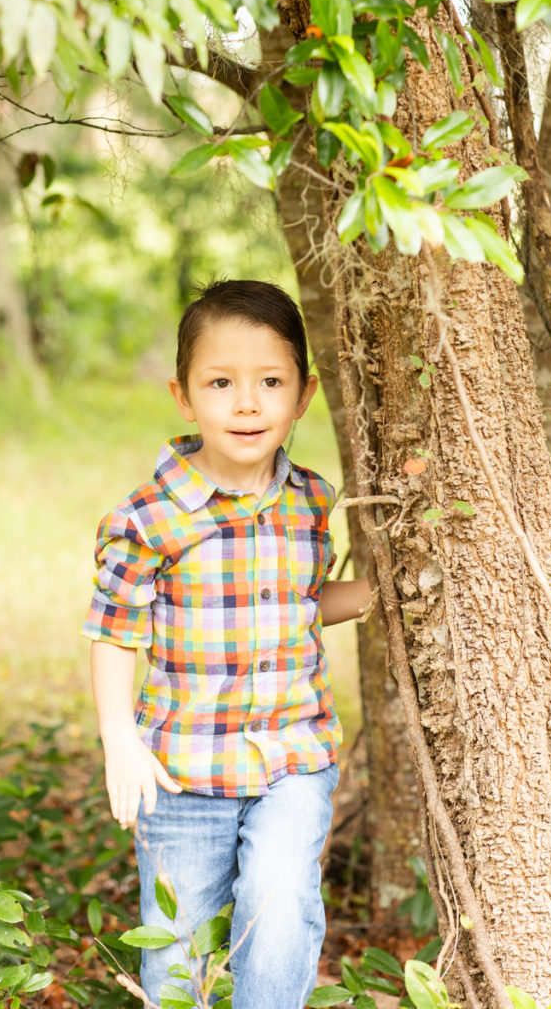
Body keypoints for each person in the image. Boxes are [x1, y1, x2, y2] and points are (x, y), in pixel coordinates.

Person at [81, 280, 372, 1009]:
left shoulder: (310, 497)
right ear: (183, 396)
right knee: (176, 946)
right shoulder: (146, 520)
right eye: (221, 383)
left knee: (278, 905)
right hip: (178, 769)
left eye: (269, 383)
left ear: (302, 395)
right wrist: (120, 739)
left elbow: (301, 601)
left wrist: (380, 594)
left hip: (291, 758)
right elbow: (115, 633)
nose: (246, 404)